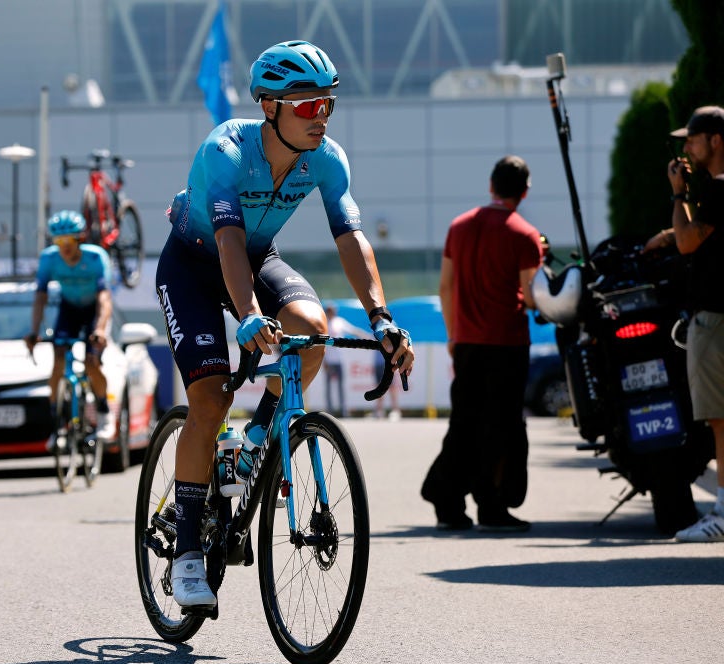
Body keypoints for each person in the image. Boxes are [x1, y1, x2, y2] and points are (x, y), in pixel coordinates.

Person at [155, 40, 414, 609]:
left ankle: (251, 447)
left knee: (310, 330)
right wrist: (247, 316)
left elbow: (351, 240)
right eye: (306, 106)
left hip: (256, 256)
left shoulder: (328, 158)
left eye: (327, 104)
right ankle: (189, 551)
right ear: (269, 105)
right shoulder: (225, 148)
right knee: (208, 401)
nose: (320, 116)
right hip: (195, 264)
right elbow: (225, 241)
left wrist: (383, 317)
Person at [420, 155, 543, 533]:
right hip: (507, 342)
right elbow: (532, 295)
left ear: (491, 185)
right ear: (523, 192)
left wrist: (454, 335)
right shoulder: (525, 235)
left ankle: (447, 500)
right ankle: (492, 505)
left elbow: (445, 286)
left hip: (468, 341)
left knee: (464, 423)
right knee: (501, 426)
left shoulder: (459, 227)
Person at [642, 105, 724, 542]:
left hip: (714, 318)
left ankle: (722, 513)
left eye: (692, 139)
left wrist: (678, 192)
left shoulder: (716, 188)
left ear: (715, 139)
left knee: (718, 419)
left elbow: (692, 241)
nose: (687, 148)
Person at [24, 210, 115, 442]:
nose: (64, 246)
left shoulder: (95, 258)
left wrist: (100, 330)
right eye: (59, 241)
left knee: (91, 362)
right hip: (69, 310)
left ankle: (104, 413)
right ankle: (57, 424)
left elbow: (105, 299)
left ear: (79, 239)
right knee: (57, 362)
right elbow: (40, 297)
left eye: (69, 240)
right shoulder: (49, 258)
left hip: (94, 311)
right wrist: (34, 331)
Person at [323, 303, 372, 417]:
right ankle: (329, 411)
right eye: (330, 310)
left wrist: (367, 336)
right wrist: (324, 361)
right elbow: (322, 344)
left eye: (333, 310)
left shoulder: (339, 322)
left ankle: (343, 410)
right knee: (329, 387)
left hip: (339, 360)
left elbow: (353, 330)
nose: (332, 313)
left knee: (341, 386)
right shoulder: (324, 324)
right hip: (329, 360)